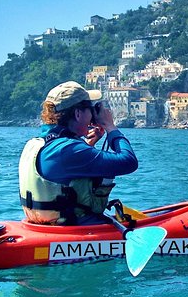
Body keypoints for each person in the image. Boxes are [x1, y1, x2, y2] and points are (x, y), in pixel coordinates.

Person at [18, 81, 138, 225]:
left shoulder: (37, 144)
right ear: (77, 113)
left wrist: (88, 145)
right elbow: (129, 162)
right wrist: (110, 127)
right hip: (76, 227)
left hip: (43, 225)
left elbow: (62, 171)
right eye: (90, 108)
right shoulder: (69, 150)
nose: (93, 114)